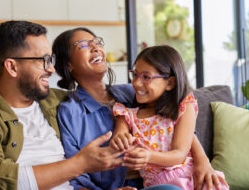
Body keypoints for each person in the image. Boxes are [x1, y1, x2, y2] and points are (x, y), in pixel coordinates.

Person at [0, 21, 134, 190]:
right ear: (12, 67)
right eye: (44, 61)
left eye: (52, 60)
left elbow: (111, 98)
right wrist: (80, 164)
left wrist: (122, 121)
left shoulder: (57, 101)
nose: (51, 69)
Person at [53, 27, 228, 190]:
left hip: (172, 174)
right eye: (83, 45)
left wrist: (202, 161)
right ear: (68, 64)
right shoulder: (70, 112)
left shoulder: (133, 92)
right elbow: (74, 174)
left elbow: (177, 123)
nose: (96, 47)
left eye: (97, 42)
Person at [109, 45, 229, 190]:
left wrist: (148, 156)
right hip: (159, 185)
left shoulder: (183, 108)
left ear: (170, 83)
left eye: (146, 77)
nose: (136, 82)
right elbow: (119, 136)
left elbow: (179, 154)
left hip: (191, 177)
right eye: (135, 74)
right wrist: (120, 140)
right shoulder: (127, 115)